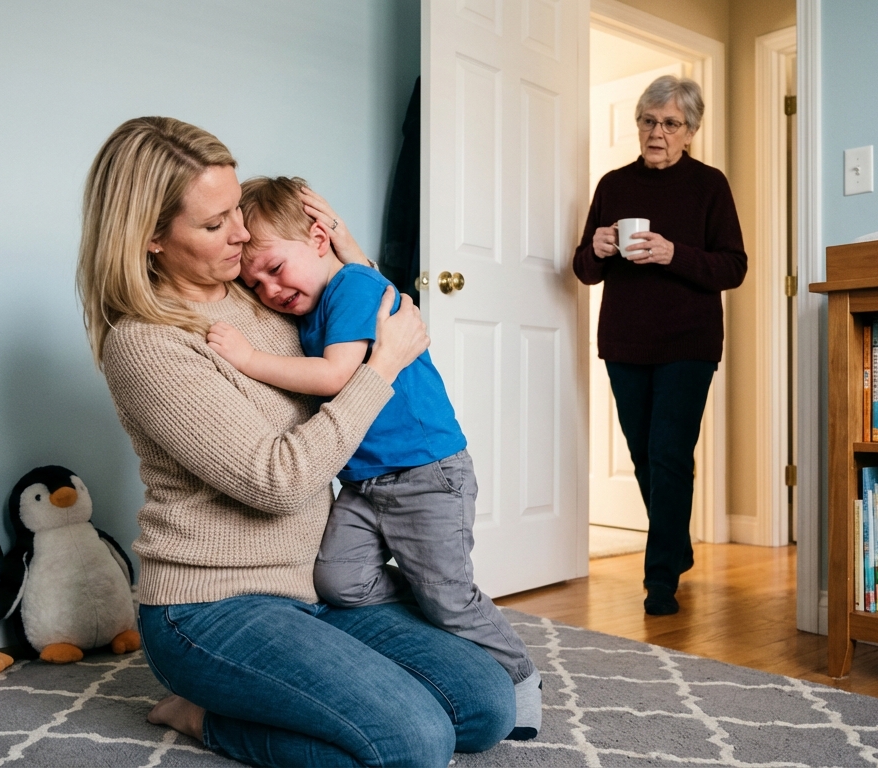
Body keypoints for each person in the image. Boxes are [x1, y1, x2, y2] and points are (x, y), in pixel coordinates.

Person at [76, 116, 515, 767]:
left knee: (487, 705)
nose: (242, 233)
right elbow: (277, 483)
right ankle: (203, 717)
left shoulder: (265, 293)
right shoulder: (147, 344)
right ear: (151, 240)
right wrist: (380, 371)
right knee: (415, 742)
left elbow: (363, 304)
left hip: (315, 585)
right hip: (209, 608)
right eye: (214, 223)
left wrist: (343, 244)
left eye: (237, 211)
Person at [204, 175, 541, 740]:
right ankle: (430, 586)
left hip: (427, 473)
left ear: (317, 241)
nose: (268, 290)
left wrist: (247, 358)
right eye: (254, 282)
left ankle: (521, 677)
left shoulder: (353, 287)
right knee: (338, 581)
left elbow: (339, 375)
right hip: (363, 483)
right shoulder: (319, 301)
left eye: (274, 269)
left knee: (452, 600)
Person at [572, 75, 747, 616]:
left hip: (689, 343)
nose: (657, 132)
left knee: (670, 453)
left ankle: (660, 581)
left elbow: (733, 267)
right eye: (649, 121)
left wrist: (675, 254)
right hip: (625, 340)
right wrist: (597, 247)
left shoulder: (709, 185)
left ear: (690, 131)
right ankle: (677, 545)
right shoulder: (613, 185)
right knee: (645, 453)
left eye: (671, 123)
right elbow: (584, 269)